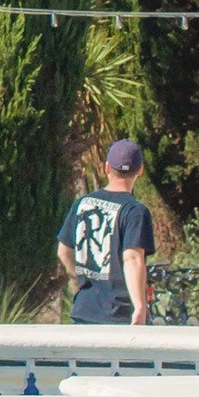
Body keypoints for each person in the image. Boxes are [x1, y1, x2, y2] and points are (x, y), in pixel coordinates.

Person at [57, 139, 155, 325]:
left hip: (84, 311)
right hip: (119, 315)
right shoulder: (135, 211)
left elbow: (63, 251)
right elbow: (132, 258)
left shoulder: (83, 204)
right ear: (140, 170)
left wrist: (79, 282)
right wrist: (140, 307)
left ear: (107, 168)